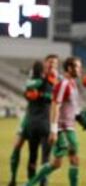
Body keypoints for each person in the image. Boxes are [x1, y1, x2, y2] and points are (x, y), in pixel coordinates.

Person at [25, 57, 82, 186]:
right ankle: (29, 184)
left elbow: (73, 108)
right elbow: (55, 105)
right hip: (62, 129)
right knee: (71, 160)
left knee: (59, 163)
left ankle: (28, 184)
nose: (80, 70)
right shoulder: (64, 84)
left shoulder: (73, 84)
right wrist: (54, 130)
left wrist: (82, 120)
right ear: (69, 68)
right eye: (78, 67)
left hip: (70, 128)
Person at [8, 54, 59, 186]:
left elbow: (56, 98)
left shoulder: (56, 79)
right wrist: (29, 94)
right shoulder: (36, 75)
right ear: (45, 63)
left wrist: (42, 95)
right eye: (50, 62)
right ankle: (13, 179)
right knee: (18, 147)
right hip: (30, 117)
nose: (52, 65)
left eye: (54, 63)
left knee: (44, 155)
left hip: (44, 119)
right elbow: (27, 90)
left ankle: (41, 182)